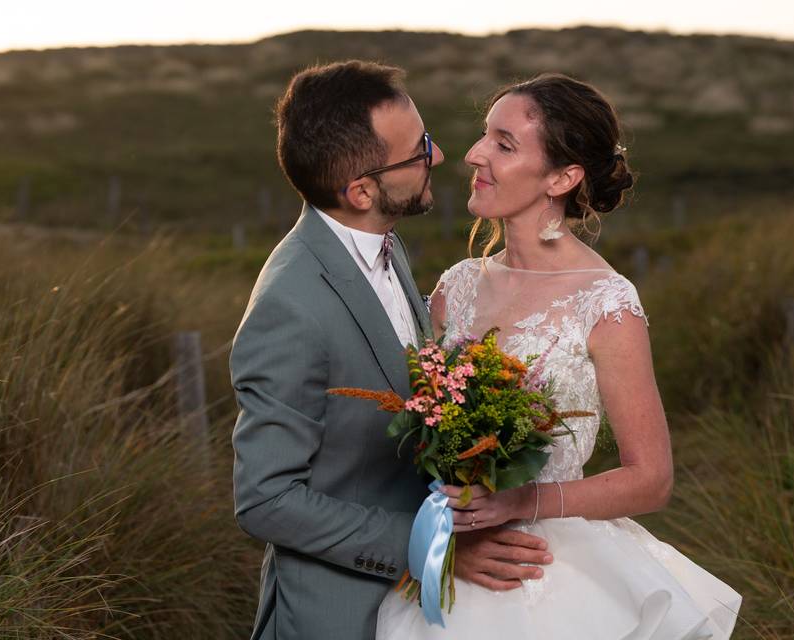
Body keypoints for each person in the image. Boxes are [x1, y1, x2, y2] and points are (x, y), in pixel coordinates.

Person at [377, 73, 742, 638]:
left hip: (551, 569)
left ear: (562, 177)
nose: (474, 155)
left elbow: (652, 479)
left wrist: (524, 499)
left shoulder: (606, 302)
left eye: (503, 144)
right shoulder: (457, 285)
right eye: (483, 136)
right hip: (448, 551)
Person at [230, 60, 553, 640]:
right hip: (338, 615)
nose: (440, 156)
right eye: (418, 152)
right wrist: (426, 545)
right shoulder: (291, 305)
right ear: (359, 191)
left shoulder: (381, 242)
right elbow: (265, 498)